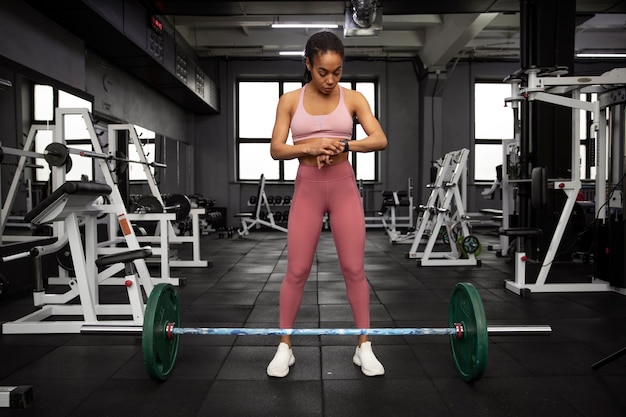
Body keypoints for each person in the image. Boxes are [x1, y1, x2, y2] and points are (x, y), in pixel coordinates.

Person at [267, 30, 388, 378]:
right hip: (307, 188)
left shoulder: (353, 99)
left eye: (337, 72)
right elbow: (277, 149)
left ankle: (364, 345)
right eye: (323, 72)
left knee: (353, 269)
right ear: (308, 64)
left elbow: (379, 138)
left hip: (342, 188)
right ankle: (284, 347)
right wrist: (308, 147)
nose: (331, 79)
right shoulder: (290, 100)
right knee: (297, 270)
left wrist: (345, 145)